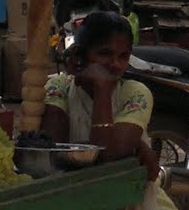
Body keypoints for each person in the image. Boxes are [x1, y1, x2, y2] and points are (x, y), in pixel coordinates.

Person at [41, 12, 172, 210]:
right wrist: (131, 150)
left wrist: (102, 89)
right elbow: (52, 152)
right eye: (104, 53)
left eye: (123, 56)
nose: (115, 64)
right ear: (80, 54)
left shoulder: (134, 93)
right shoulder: (58, 87)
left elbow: (106, 158)